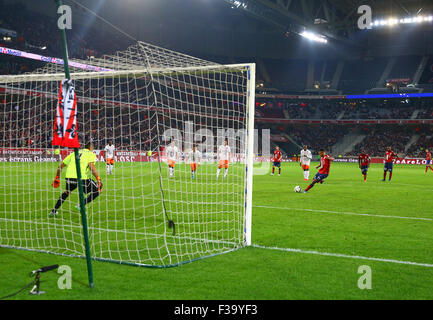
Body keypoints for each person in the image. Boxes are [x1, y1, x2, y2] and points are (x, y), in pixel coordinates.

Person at [50, 142, 102, 217]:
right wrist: (98, 178)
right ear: (91, 148)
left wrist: (57, 177)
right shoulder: (91, 154)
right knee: (99, 189)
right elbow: (91, 166)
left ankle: (53, 211)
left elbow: (60, 166)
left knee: (67, 192)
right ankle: (80, 205)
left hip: (69, 177)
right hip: (81, 178)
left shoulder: (74, 153)